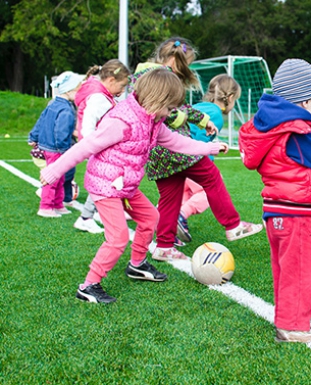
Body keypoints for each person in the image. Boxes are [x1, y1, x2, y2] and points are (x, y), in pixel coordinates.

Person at [40, 69, 229, 303]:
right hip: (105, 186)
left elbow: (175, 142)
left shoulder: (153, 120)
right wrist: (54, 170)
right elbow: (85, 146)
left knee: (151, 218)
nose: (172, 113)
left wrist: (208, 148)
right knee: (118, 237)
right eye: (170, 108)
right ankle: (89, 285)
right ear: (157, 100)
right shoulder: (120, 122)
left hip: (125, 186)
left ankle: (137, 265)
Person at [131, 37, 262, 262]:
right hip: (174, 147)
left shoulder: (146, 74)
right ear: (174, 60)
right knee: (211, 177)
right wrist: (185, 120)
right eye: (186, 64)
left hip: (157, 153)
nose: (186, 70)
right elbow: (166, 112)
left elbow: (179, 107)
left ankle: (163, 246)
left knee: (170, 197)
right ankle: (233, 225)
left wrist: (202, 120)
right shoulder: (159, 77)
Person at [238, 59, 311, 343]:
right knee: (300, 270)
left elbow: (289, 166)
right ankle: (293, 327)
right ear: (305, 100)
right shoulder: (295, 130)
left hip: (278, 210)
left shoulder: (275, 128)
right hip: (294, 215)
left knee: (286, 270)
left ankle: (290, 317)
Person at [176, 74, 243, 243]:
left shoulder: (200, 106)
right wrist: (211, 151)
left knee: (183, 194)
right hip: (190, 159)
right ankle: (181, 215)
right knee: (208, 190)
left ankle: (164, 220)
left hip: (176, 157)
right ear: (230, 98)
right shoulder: (216, 115)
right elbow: (198, 140)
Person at [73, 59, 130, 234]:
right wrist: (94, 145)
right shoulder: (99, 98)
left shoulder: (102, 95)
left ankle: (97, 212)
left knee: (110, 179)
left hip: (101, 146)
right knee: (104, 181)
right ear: (111, 81)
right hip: (98, 147)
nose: (122, 92)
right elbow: (88, 124)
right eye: (121, 86)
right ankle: (85, 217)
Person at [28, 71, 84, 218]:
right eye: (78, 90)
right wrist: (64, 150)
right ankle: (46, 206)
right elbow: (61, 131)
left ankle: (57, 204)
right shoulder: (66, 109)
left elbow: (41, 120)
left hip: (49, 146)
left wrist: (33, 136)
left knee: (60, 177)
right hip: (57, 149)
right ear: (70, 90)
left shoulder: (53, 103)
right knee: (54, 178)